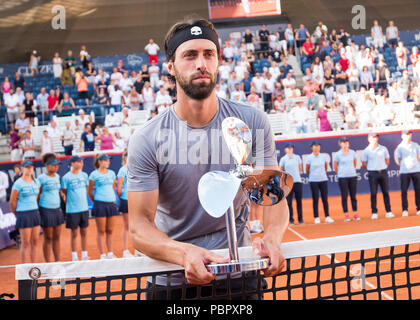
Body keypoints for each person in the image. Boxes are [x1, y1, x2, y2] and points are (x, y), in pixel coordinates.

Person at [127, 17, 288, 299]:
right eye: (189, 55)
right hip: (173, 281)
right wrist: (183, 253)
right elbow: (139, 227)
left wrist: (273, 236)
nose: (201, 63)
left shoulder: (251, 122)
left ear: (217, 61)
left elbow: (271, 195)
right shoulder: (147, 138)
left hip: (239, 276)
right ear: (170, 68)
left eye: (208, 54)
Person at [9, 160, 41, 263]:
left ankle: (33, 267)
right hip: (24, 213)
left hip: (35, 212)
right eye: (27, 167)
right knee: (25, 242)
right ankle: (25, 267)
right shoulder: (18, 183)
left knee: (35, 241)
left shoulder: (36, 182)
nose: (30, 169)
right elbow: (12, 202)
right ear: (22, 169)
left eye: (31, 167)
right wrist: (17, 214)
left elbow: (37, 196)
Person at [88, 154, 118, 260]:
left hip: (111, 204)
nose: (108, 162)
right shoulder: (93, 174)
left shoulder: (112, 173)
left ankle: (110, 253)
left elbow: (113, 187)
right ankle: (102, 254)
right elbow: (90, 191)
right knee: (101, 231)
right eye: (105, 160)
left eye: (108, 160)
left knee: (110, 230)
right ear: (100, 162)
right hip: (100, 204)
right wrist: (97, 201)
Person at [61, 155, 90, 261]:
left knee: (84, 232)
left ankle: (84, 254)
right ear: (72, 163)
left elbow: (86, 188)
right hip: (72, 209)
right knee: (74, 233)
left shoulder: (85, 175)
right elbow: (64, 191)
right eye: (79, 162)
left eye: (82, 162)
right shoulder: (66, 177)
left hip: (84, 208)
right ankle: (74, 256)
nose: (82, 163)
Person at [37, 154, 64, 262]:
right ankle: (48, 263)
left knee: (57, 237)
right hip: (45, 210)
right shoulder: (41, 178)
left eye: (57, 165)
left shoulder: (57, 177)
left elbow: (59, 191)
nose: (56, 167)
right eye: (53, 165)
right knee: (48, 237)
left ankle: (57, 261)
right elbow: (37, 194)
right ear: (47, 166)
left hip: (57, 209)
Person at [361, 133, 394, 219]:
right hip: (372, 173)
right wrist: (372, 168)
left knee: (386, 192)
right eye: (373, 137)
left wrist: (381, 166)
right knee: (373, 193)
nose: (375, 139)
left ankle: (389, 211)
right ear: (369, 139)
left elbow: (387, 160)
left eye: (376, 137)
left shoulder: (383, 148)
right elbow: (364, 163)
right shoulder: (366, 151)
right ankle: (374, 212)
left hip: (383, 172)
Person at [306, 141, 334, 224]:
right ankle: (316, 217)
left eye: (318, 146)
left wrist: (321, 174)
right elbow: (307, 169)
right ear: (312, 147)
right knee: (315, 199)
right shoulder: (309, 157)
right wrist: (314, 175)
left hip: (323, 180)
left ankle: (327, 216)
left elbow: (325, 167)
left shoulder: (323, 156)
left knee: (325, 199)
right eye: (315, 146)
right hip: (313, 180)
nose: (317, 147)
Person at [333, 137, 360, 222]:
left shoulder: (352, 152)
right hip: (342, 177)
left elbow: (355, 163)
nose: (345, 144)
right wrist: (340, 173)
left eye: (346, 142)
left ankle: (355, 213)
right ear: (340, 144)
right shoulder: (337, 154)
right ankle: (346, 215)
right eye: (343, 142)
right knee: (344, 196)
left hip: (352, 176)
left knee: (353, 196)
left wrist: (351, 171)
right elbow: (335, 166)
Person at [395, 130, 420, 217]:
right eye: (407, 134)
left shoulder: (415, 145)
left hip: (416, 171)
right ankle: (405, 210)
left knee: (418, 190)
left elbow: (418, 157)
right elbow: (399, 160)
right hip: (405, 172)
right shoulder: (400, 147)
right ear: (402, 136)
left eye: (410, 134)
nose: (409, 136)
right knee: (404, 191)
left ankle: (419, 208)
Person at [279, 143, 303, 225]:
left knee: (299, 202)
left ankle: (300, 219)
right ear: (285, 149)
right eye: (288, 148)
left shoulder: (297, 157)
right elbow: (280, 171)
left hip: (297, 182)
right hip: (288, 184)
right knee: (289, 202)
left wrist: (296, 176)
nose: (290, 149)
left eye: (291, 148)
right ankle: (291, 220)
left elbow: (300, 168)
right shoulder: (283, 159)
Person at [117, 152, 134, 257]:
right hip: (126, 199)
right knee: (127, 225)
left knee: (137, 225)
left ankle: (138, 250)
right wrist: (122, 199)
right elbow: (119, 188)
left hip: (135, 200)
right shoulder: (122, 170)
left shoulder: (136, 168)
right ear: (125, 157)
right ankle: (125, 250)